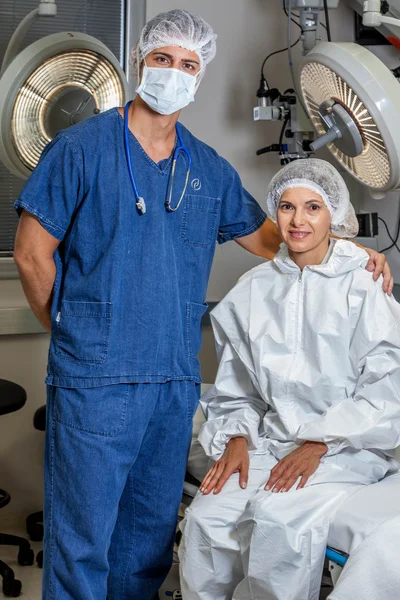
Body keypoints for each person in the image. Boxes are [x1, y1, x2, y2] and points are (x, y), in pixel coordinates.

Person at [12, 8, 391, 599]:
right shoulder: (80, 149)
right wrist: (73, 335)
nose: (174, 72)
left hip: (172, 382)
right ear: (141, 62)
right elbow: (33, 255)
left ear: (201, 75)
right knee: (81, 543)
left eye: (189, 64)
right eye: (163, 59)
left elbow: (276, 240)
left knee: (146, 543)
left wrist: (352, 249)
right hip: (96, 379)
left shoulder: (207, 170)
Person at [179, 159, 400, 600]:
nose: (298, 220)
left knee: (276, 521)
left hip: (347, 447)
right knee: (206, 520)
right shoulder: (252, 289)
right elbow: (236, 388)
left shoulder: (363, 285)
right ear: (273, 212)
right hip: (271, 441)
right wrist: (238, 437)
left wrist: (320, 444)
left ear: (334, 216)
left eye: (313, 207)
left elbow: (385, 393)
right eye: (286, 206)